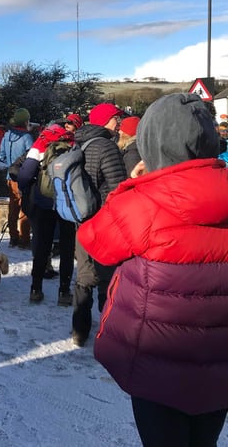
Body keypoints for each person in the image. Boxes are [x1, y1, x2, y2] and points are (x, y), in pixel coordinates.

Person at [78, 93, 228, 447]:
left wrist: (131, 185)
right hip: (220, 364)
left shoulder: (144, 201)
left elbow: (95, 241)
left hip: (155, 364)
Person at [71, 102, 127, 347]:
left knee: (84, 276)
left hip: (80, 222)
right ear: (105, 120)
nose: (119, 123)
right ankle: (109, 332)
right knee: (108, 279)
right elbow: (118, 189)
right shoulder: (107, 146)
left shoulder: (77, 144)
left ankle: (79, 331)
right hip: (104, 223)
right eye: (116, 119)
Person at [18, 123, 76, 305]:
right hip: (67, 204)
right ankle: (64, 292)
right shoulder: (73, 144)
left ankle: (36, 289)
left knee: (42, 246)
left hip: (44, 203)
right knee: (67, 248)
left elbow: (25, 176)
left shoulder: (40, 145)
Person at [0, 108, 33, 248]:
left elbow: (1, 156)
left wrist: (10, 164)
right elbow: (31, 158)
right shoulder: (27, 137)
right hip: (23, 177)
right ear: (25, 121)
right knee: (25, 209)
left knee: (13, 208)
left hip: (10, 176)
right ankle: (25, 240)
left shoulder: (6, 136)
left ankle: (13, 237)